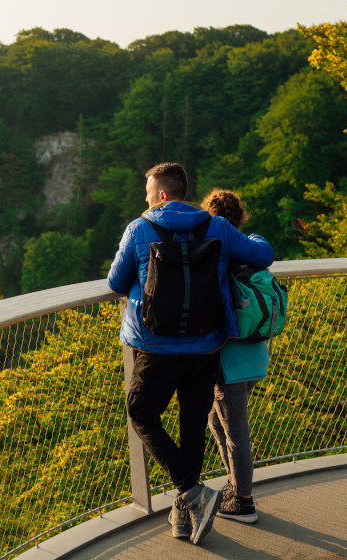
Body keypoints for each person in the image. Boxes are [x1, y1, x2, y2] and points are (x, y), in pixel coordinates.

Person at [107, 163, 273, 544]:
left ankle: (192, 492)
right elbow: (261, 255)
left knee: (141, 413)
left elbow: (115, 281)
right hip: (205, 347)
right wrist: (256, 236)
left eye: (149, 193)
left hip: (157, 348)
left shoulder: (139, 229)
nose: (146, 199)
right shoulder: (218, 227)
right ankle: (185, 514)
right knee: (192, 426)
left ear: (163, 195)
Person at [200, 188, 268, 524]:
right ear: (240, 218)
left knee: (235, 430)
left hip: (230, 361)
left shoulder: (213, 255)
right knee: (217, 422)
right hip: (255, 354)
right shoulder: (249, 253)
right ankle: (235, 488)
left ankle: (244, 503)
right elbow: (265, 251)